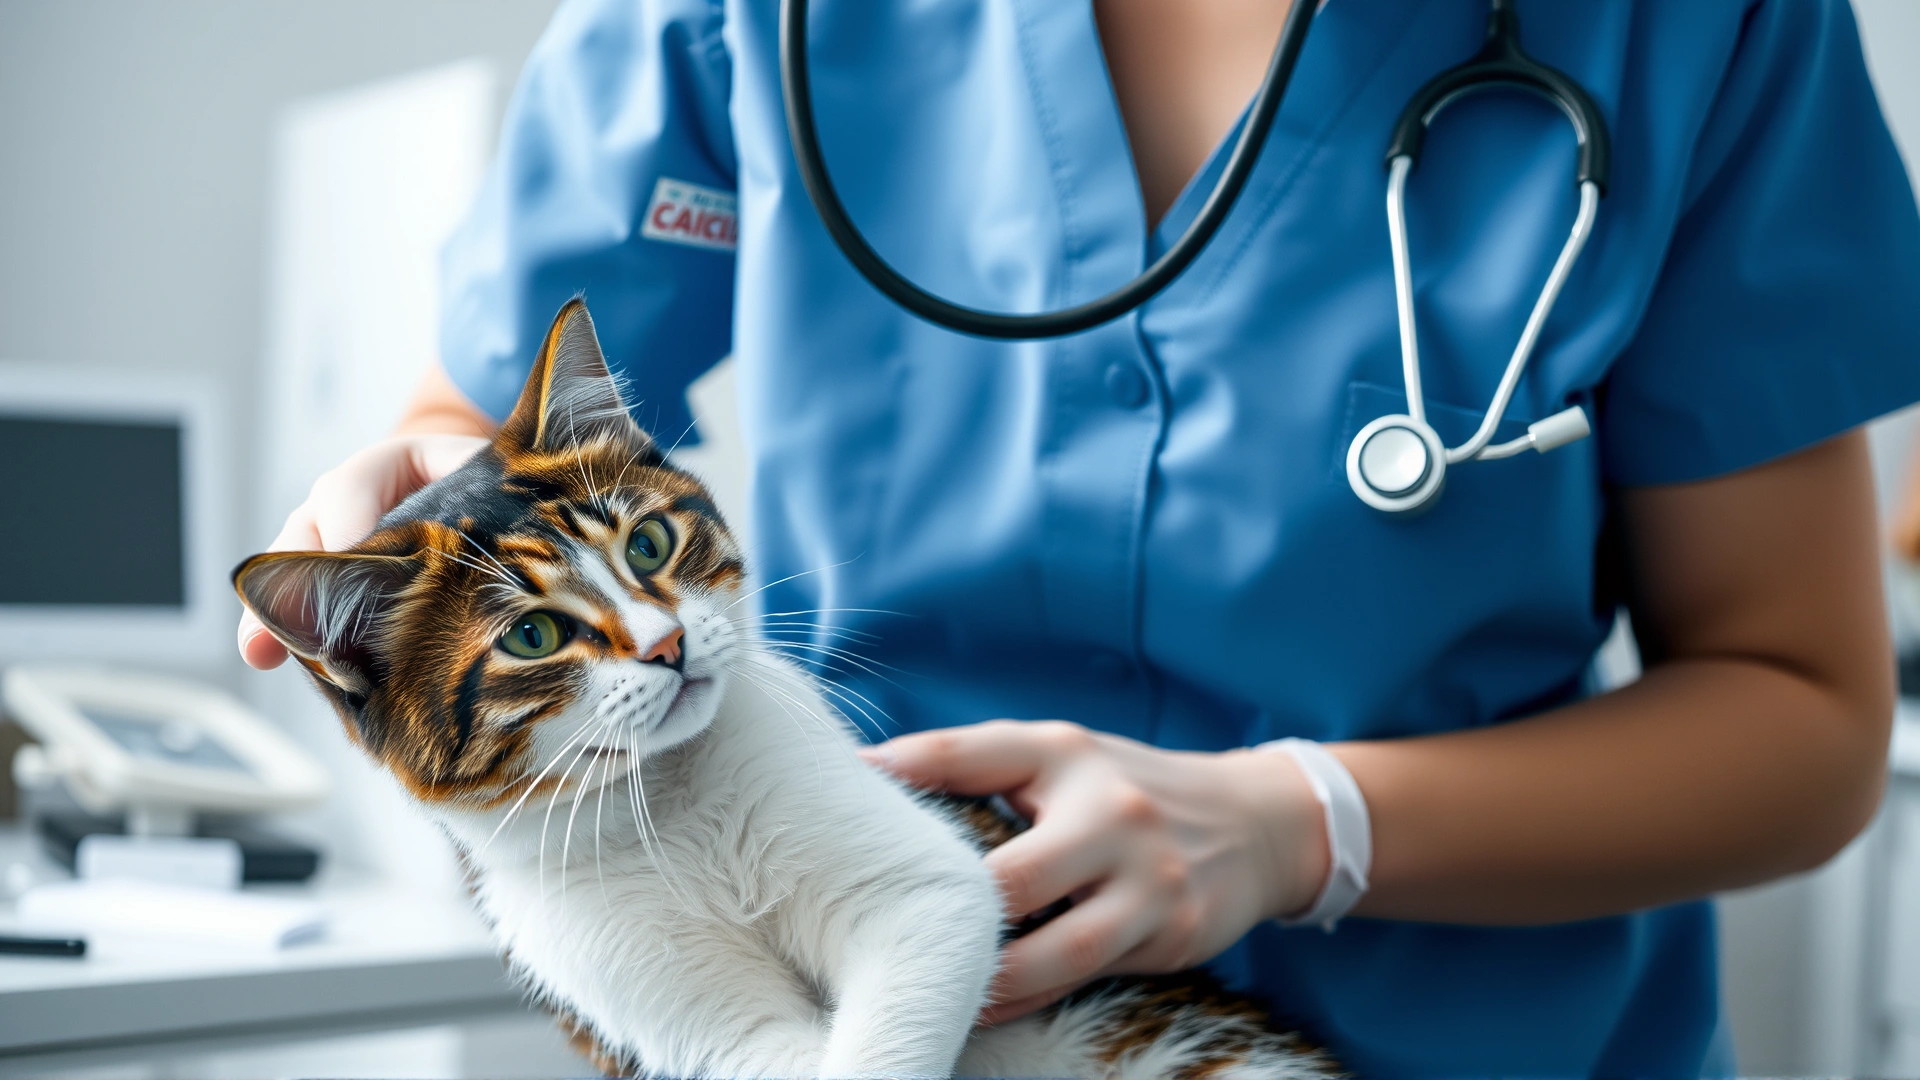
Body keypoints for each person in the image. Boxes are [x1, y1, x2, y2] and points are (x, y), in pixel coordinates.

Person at [240, 0, 1920, 1073]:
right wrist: (422, 511)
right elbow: (490, 424)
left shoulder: (1708, 28)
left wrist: (1304, 826)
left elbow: (1803, 713)